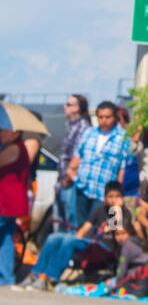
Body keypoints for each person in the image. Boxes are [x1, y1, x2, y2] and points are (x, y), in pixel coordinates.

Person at [18, 180, 131, 290]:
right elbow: (85, 227)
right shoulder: (100, 210)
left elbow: (118, 232)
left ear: (122, 198)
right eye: (110, 196)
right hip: (93, 243)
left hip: (108, 248)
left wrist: (116, 209)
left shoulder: (124, 213)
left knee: (69, 242)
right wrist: (75, 238)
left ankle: (49, 277)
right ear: (105, 198)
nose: (113, 200)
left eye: (117, 196)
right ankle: (34, 274)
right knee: (54, 238)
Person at [66, 101, 130, 223]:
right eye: (100, 117)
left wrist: (117, 193)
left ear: (114, 117)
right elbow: (77, 156)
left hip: (103, 193)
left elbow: (122, 167)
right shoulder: (89, 133)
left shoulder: (122, 137)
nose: (103, 120)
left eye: (107, 117)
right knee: (79, 227)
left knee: (102, 227)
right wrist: (72, 174)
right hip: (82, 188)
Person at [53, 94, 90, 231]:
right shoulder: (71, 126)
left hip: (72, 184)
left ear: (77, 108)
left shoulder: (83, 128)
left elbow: (80, 156)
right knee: (61, 223)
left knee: (71, 224)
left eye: (68, 104)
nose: (64, 107)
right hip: (63, 182)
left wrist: (69, 177)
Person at [0, 130, 32, 286]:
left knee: (5, 235)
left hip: (7, 201)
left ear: (15, 133)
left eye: (4, 132)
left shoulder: (15, 148)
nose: (1, 134)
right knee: (5, 237)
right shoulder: (14, 147)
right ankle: (6, 276)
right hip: (10, 200)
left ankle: (6, 276)